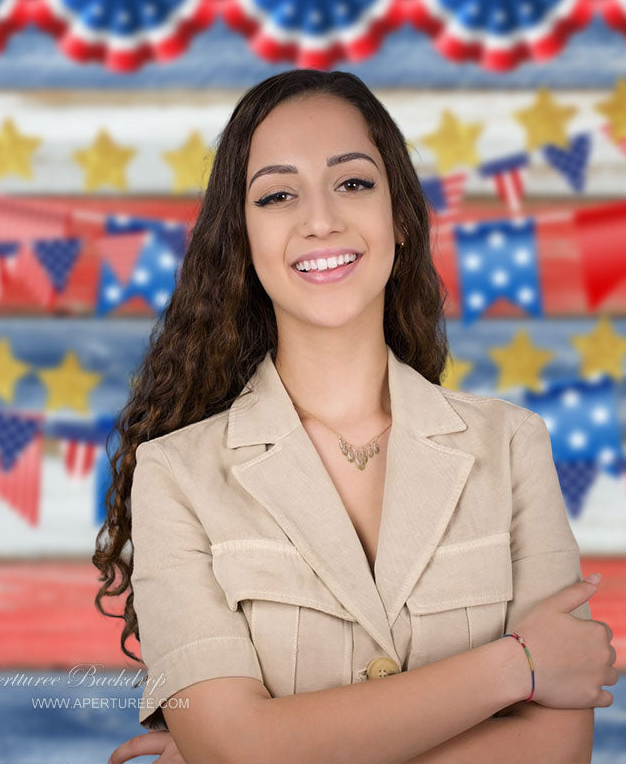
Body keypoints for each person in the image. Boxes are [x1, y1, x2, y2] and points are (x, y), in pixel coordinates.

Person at [94, 69, 618, 764]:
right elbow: (236, 748)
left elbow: (557, 749)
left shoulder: (512, 446)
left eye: (353, 183)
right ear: (242, 242)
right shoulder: (174, 476)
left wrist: (267, 747)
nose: (321, 220)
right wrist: (515, 667)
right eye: (278, 195)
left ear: (399, 216)